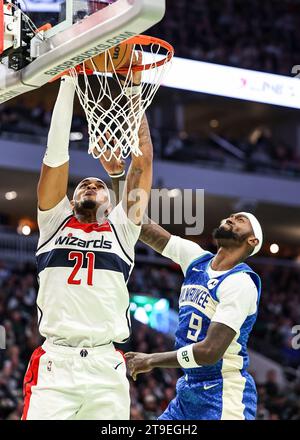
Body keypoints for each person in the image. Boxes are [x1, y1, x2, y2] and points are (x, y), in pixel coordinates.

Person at [22, 71, 153, 420]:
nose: (90, 184)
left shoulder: (123, 231)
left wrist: (135, 89)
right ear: (71, 198)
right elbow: (55, 155)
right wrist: (68, 82)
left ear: (112, 205)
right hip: (56, 365)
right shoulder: (54, 222)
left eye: (98, 184)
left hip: (106, 366)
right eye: (83, 184)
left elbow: (141, 164)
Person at [100, 157, 263, 420]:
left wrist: (151, 360)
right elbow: (140, 225)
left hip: (225, 394)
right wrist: (119, 176)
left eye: (240, 219)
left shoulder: (241, 283)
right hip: (188, 391)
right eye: (231, 216)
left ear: (252, 240)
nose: (231, 218)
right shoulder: (197, 259)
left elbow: (210, 352)